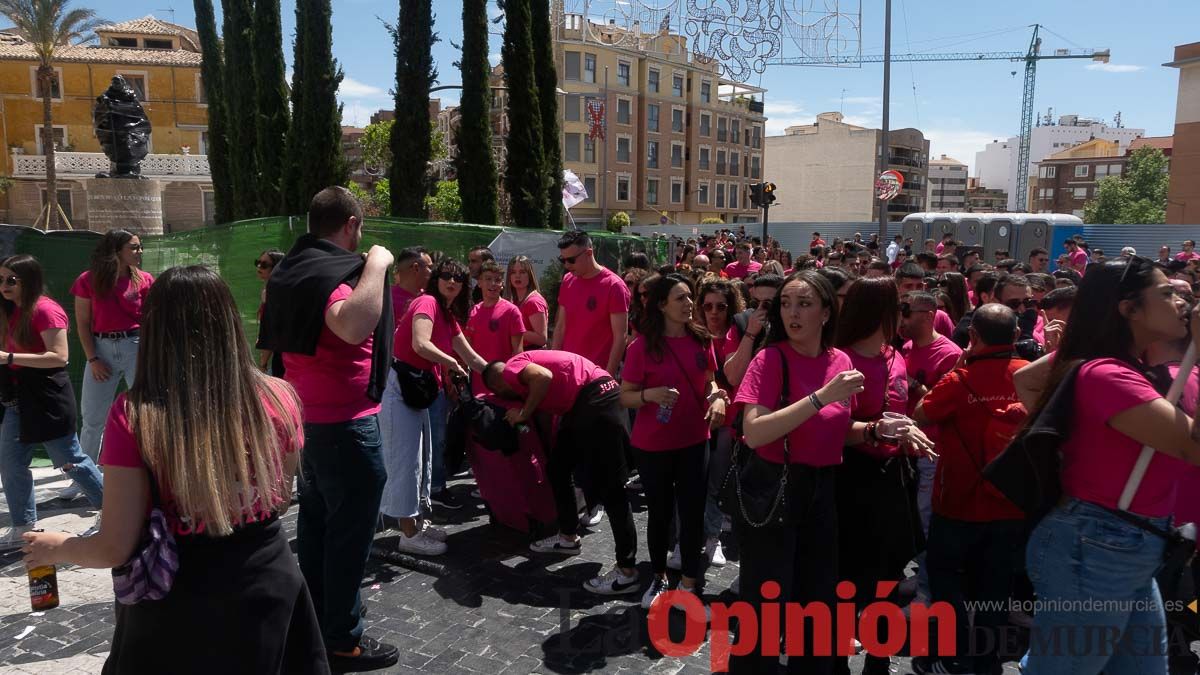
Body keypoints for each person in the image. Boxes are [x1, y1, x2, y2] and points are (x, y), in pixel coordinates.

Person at [23, 265, 329, 674]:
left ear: (153, 329)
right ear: (230, 321)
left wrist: (57, 547)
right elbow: (279, 496)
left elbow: (115, 546)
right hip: (269, 583)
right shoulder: (280, 397)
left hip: (179, 606)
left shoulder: (137, 415)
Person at [731, 271, 932, 675]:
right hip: (775, 488)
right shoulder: (771, 360)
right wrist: (820, 397)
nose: (792, 312)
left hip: (824, 491)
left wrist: (876, 430)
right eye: (786, 303)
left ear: (827, 312)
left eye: (804, 304)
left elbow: (839, 430)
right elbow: (754, 431)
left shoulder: (838, 360)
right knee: (766, 602)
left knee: (817, 601)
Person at [1017, 257, 1200, 675]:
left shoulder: (1120, 366)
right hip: (1096, 546)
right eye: (1167, 294)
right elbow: (1195, 450)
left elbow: (1027, 381)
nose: (1182, 303)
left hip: (1127, 541)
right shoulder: (1107, 376)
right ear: (1128, 309)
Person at [258, 186, 397, 671]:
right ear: (352, 225)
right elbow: (352, 325)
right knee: (348, 539)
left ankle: (317, 621)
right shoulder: (334, 275)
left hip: (309, 424)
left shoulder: (292, 270)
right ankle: (343, 640)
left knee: (318, 527)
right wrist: (377, 263)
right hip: (345, 431)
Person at [911, 304, 1028, 675]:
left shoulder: (959, 380)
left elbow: (920, 415)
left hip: (956, 503)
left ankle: (951, 656)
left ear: (973, 337)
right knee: (996, 587)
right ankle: (986, 661)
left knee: (947, 584)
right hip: (1010, 503)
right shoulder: (1030, 376)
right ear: (1014, 338)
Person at [482, 351, 640, 595]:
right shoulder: (527, 375)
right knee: (558, 466)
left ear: (498, 385)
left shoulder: (513, 370)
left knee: (612, 489)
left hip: (595, 398)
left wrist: (522, 413)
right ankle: (567, 537)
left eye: (500, 393)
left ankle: (627, 571)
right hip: (587, 400)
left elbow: (543, 377)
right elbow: (546, 410)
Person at [833, 277, 925, 675]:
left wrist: (910, 430)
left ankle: (879, 653)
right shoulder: (841, 360)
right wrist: (875, 430)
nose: (904, 314)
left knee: (890, 571)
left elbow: (901, 408)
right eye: (899, 305)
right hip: (851, 479)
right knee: (849, 574)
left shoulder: (896, 354)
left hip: (894, 476)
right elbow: (834, 428)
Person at [620, 273, 726, 610]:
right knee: (661, 514)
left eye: (689, 297)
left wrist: (717, 398)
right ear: (663, 305)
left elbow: (710, 382)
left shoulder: (701, 340)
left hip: (695, 440)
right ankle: (659, 577)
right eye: (681, 298)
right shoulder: (641, 347)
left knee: (693, 513)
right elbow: (625, 397)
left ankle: (690, 585)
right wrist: (650, 395)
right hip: (653, 446)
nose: (689, 303)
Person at [382, 256, 488, 554]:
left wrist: (502, 373)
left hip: (417, 391)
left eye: (458, 278)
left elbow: (473, 358)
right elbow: (420, 344)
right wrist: (451, 362)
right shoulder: (427, 302)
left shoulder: (447, 314)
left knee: (421, 459)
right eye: (446, 275)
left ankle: (415, 523)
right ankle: (408, 534)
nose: (452, 281)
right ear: (436, 279)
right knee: (406, 461)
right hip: (401, 389)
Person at [0, 255, 104, 547]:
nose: (4, 285)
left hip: (46, 396)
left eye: (11, 279)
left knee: (70, 460)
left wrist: (8, 358)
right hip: (15, 398)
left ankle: (114, 511)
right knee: (10, 464)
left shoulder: (45, 309)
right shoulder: (9, 310)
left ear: (28, 280)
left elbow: (59, 357)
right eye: (0, 280)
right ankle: (23, 527)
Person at [72, 230, 154, 474]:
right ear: (117, 250)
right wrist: (92, 358)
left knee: (146, 411)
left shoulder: (145, 279)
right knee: (92, 418)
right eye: (134, 247)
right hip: (101, 349)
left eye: (140, 247)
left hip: (137, 347)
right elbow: (83, 324)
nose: (139, 252)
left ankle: (148, 470)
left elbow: (152, 318)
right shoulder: (88, 280)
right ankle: (84, 478)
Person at [693, 278, 743, 569]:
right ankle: (687, 540)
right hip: (694, 417)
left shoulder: (737, 336)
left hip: (728, 420)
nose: (714, 312)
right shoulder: (693, 335)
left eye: (721, 307)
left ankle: (712, 539)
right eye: (708, 306)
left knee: (714, 481)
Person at [552, 231, 630, 376]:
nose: (567, 265)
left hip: (595, 375)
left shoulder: (614, 286)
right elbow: (560, 327)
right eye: (563, 260)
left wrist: (607, 376)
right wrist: (553, 364)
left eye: (571, 260)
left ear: (588, 253)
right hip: (567, 370)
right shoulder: (568, 280)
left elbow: (621, 337)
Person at [465, 261, 524, 392]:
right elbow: (467, 347)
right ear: (479, 282)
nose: (493, 284)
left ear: (502, 284)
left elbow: (518, 353)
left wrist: (511, 381)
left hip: (501, 383)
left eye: (497, 280)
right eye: (488, 279)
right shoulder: (474, 311)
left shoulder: (512, 311)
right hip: (477, 383)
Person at [505, 255, 548, 349]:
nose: (517, 276)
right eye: (513, 272)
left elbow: (542, 338)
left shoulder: (534, 302)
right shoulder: (514, 300)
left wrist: (514, 329)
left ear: (530, 275)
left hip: (532, 355)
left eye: (522, 272)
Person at [256, 249, 286, 375]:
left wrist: (262, 365)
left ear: (276, 268)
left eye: (264, 265)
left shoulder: (271, 294)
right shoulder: (272, 290)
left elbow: (270, 333)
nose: (259, 267)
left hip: (281, 357)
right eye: (258, 262)